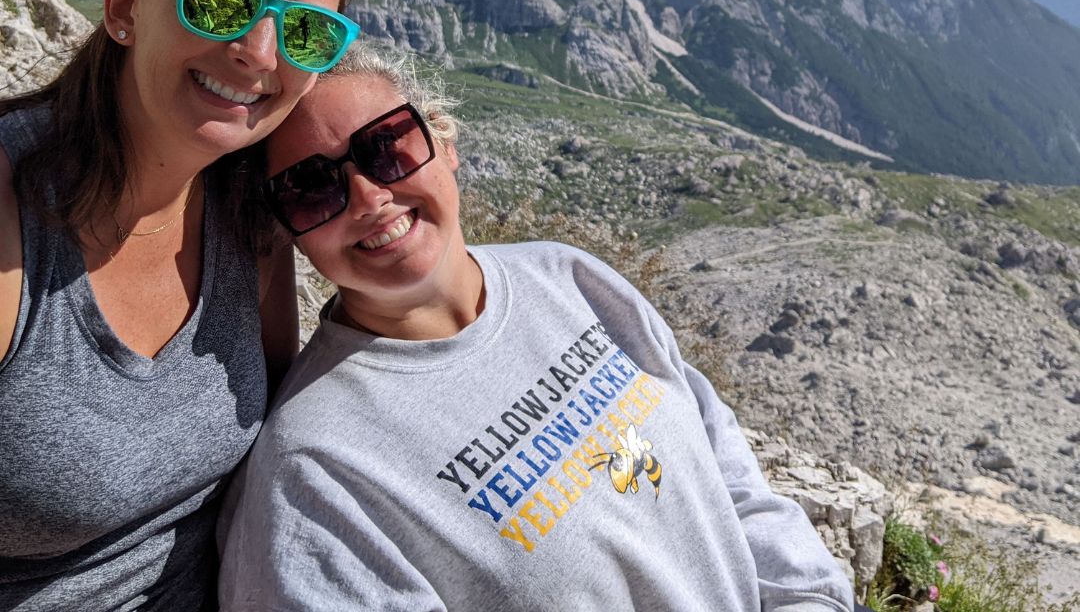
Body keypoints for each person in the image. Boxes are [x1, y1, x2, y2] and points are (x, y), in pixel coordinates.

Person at [218, 45, 855, 612]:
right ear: (286, 230)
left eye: (386, 147)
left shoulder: (571, 277)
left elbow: (728, 476)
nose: (367, 197)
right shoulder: (317, 469)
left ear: (442, 140)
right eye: (310, 188)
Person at [0, 0, 364, 611]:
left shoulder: (249, 216)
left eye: (306, 31)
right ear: (124, 5)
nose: (261, 53)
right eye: (221, 0)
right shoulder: (13, 219)